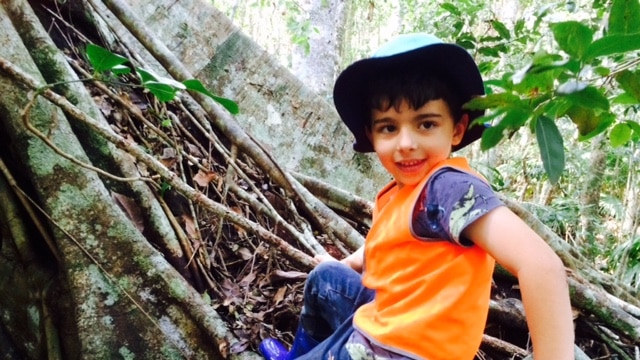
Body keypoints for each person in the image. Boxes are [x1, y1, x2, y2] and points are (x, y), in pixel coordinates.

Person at [259, 33, 575, 360]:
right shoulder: (401, 194)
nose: (406, 142)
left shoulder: (448, 188)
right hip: (387, 326)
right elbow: (389, 246)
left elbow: (541, 265)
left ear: (456, 129)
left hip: (398, 351)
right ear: (372, 134)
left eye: (425, 124)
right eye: (388, 128)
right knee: (325, 279)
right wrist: (344, 262)